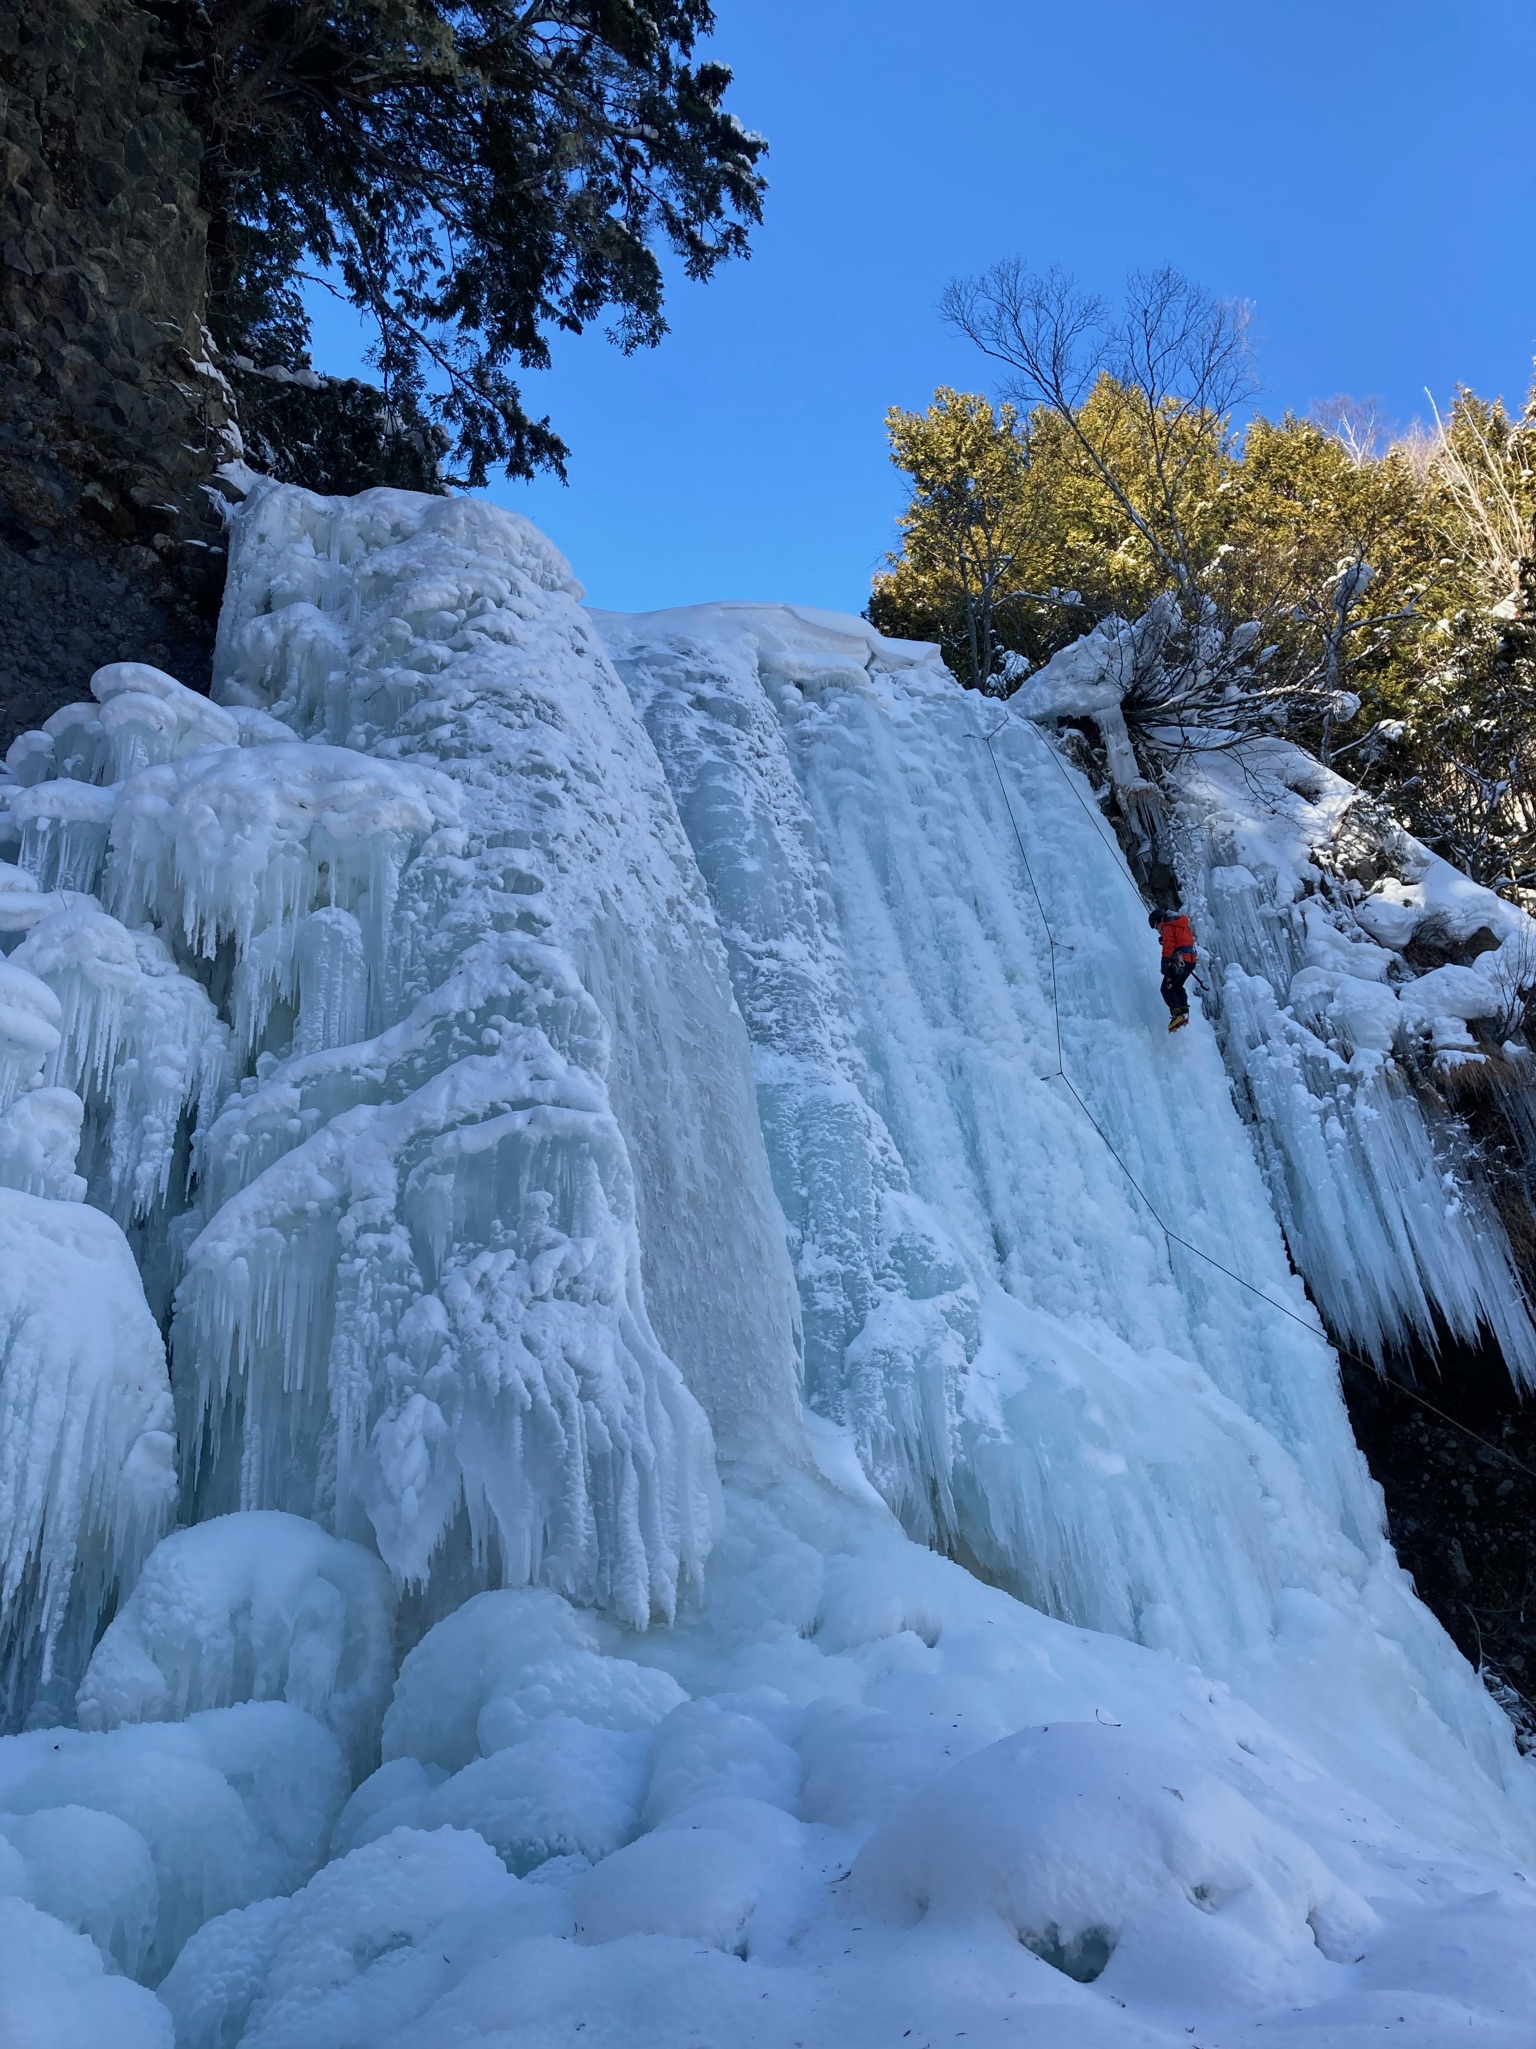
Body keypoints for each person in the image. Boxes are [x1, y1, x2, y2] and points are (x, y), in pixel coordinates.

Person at [1149, 906, 1197, 1033]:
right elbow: (1181, 940)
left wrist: (1165, 961)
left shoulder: (1167, 926)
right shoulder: (1180, 924)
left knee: (1166, 987)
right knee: (1178, 986)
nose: (1158, 930)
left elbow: (1169, 944)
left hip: (1180, 961)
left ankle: (1177, 1014)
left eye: (1156, 927)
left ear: (1159, 921)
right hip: (1190, 961)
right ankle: (1184, 1011)